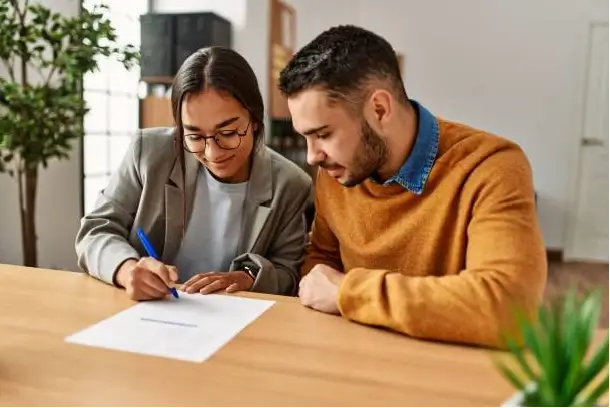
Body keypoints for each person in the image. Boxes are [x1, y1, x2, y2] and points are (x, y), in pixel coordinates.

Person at [278, 25, 547, 349]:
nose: (311, 156)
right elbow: (322, 260)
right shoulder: (337, 170)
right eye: (304, 137)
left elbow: (509, 308)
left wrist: (348, 294)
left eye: (323, 134)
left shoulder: (490, 165)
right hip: (354, 359)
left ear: (379, 110)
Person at [76, 46, 313, 300]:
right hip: (151, 311)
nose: (212, 153)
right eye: (195, 136)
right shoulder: (148, 153)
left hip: (235, 322)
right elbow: (95, 231)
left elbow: (289, 272)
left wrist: (247, 277)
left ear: (254, 120)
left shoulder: (290, 184)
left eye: (228, 133)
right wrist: (127, 270)